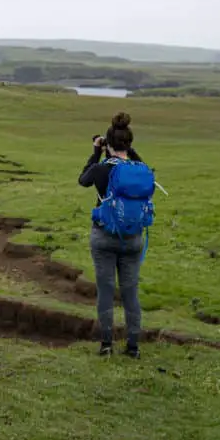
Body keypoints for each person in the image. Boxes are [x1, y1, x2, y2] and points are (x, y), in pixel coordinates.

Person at [77, 112, 145, 359]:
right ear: (129, 142)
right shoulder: (139, 168)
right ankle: (133, 347)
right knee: (131, 293)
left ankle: (106, 345)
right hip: (134, 238)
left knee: (105, 291)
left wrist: (97, 151)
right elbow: (140, 164)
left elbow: (83, 179)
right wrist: (127, 150)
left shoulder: (102, 169)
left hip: (104, 237)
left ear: (108, 142)